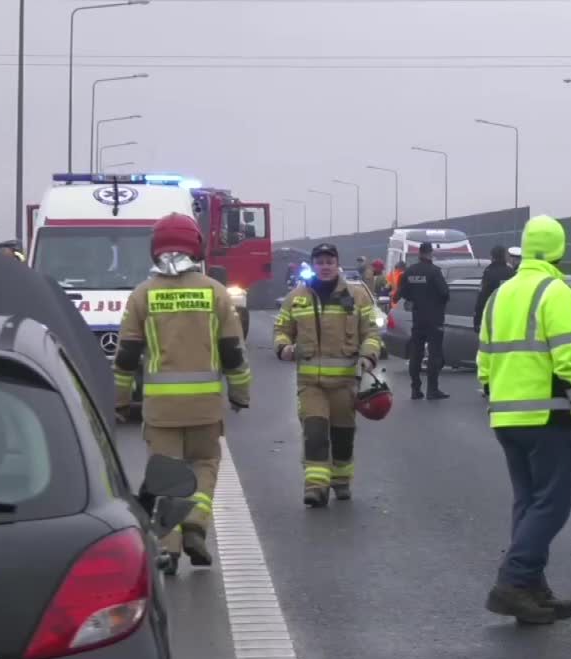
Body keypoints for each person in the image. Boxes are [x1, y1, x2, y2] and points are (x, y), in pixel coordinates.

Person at [478, 215, 571, 625]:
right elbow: (570, 359)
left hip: (505, 416)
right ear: (559, 251)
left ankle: (531, 585)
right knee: (553, 503)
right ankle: (513, 582)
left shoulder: (501, 294)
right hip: (545, 415)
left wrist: (496, 393)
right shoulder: (556, 292)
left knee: (528, 502)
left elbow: (484, 358)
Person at [113, 212, 252, 571]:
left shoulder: (143, 294)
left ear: (154, 249)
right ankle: (195, 525)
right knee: (205, 464)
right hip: (204, 407)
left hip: (161, 410)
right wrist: (240, 394)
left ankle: (169, 547)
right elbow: (233, 353)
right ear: (197, 247)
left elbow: (127, 356)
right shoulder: (215, 292)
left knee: (165, 473)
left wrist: (120, 401)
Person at [274, 243, 382, 507]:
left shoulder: (357, 297)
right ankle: (316, 487)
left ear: (337, 264)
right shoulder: (296, 298)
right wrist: (284, 348)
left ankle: (341, 480)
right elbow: (281, 329)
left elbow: (371, 332)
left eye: (329, 262)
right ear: (313, 265)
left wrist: (368, 356)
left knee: (343, 436)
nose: (324, 267)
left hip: (346, 382)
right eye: (319, 262)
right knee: (315, 431)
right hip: (310, 383)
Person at [397, 241, 450, 400]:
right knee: (434, 354)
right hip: (434, 319)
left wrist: (416, 299)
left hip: (418, 318)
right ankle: (432, 390)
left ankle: (415, 389)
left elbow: (403, 292)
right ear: (430, 253)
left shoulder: (410, 272)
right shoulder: (434, 272)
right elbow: (444, 293)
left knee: (416, 354)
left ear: (419, 253)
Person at [475, 244, 515, 335]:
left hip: (493, 318)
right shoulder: (511, 272)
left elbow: (482, 297)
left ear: (492, 257)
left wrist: (477, 320)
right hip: (510, 318)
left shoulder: (489, 273)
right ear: (504, 256)